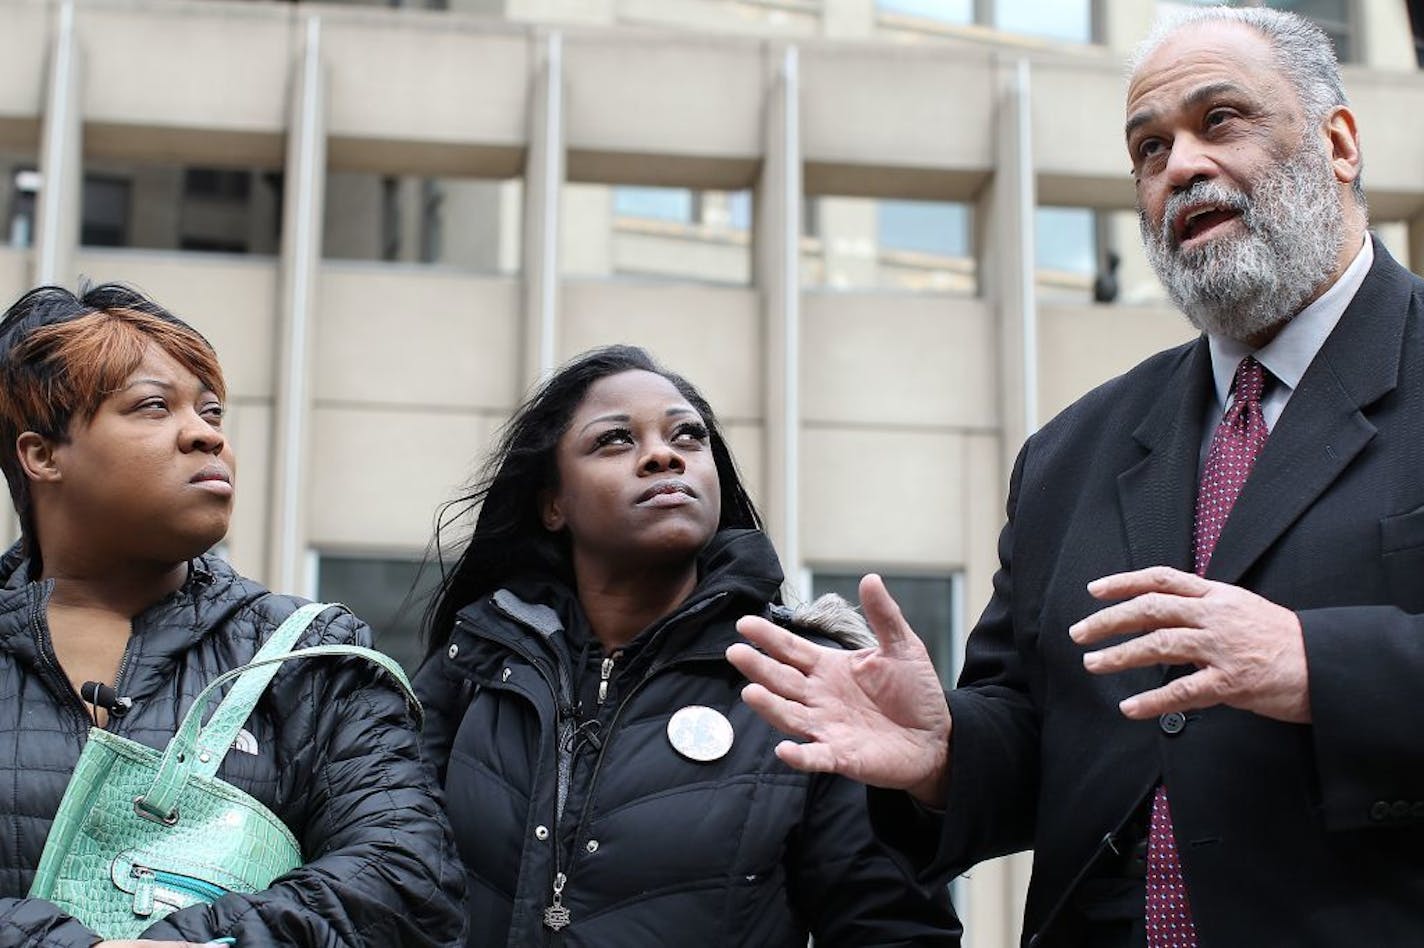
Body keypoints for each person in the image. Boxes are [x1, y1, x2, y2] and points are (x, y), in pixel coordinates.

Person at [728, 7, 1424, 947]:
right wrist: (944, 754)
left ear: (1338, 143)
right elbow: (1034, 732)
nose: (1180, 166)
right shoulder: (1072, 452)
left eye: (1220, 120)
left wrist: (1317, 665)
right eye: (1148, 148)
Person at [413, 344, 961, 947]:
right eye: (616, 440)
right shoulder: (474, 666)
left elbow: (891, 928)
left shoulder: (800, 679)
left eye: (688, 437)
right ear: (553, 504)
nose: (662, 455)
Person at [0, 284, 466, 948]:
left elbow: (406, 879)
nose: (205, 433)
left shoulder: (312, 657)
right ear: (43, 456)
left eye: (212, 410)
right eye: (153, 406)